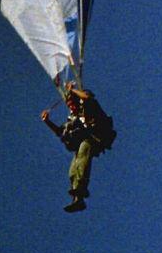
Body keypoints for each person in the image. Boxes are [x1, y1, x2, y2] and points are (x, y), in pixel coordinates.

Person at [41, 82, 116, 212]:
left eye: (72, 103)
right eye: (68, 105)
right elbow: (60, 132)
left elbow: (87, 99)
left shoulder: (89, 107)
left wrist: (73, 90)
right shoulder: (73, 119)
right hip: (83, 141)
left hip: (95, 137)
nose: (70, 107)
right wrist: (48, 122)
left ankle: (80, 188)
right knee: (72, 170)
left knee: (83, 155)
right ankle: (78, 199)